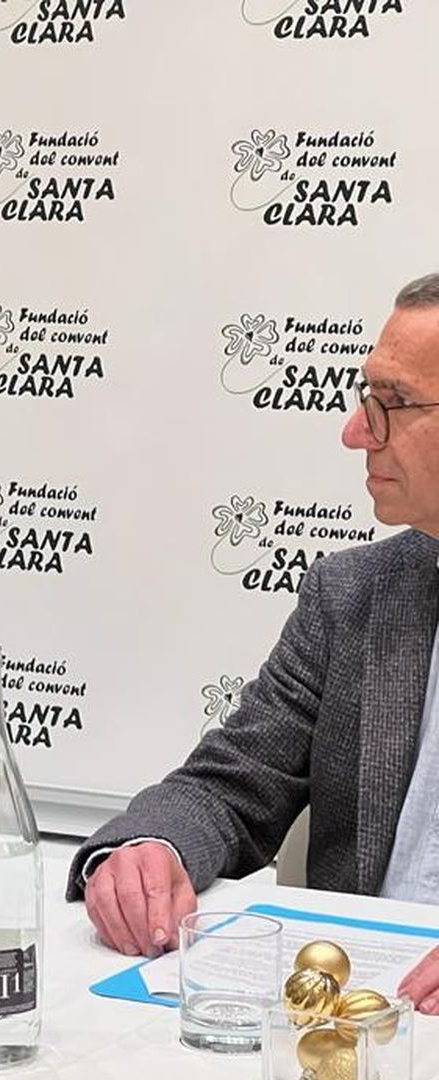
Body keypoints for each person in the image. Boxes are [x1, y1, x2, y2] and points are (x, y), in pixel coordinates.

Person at [72, 272, 439, 1013]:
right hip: (356, 1038)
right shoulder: (356, 595)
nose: (355, 430)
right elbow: (229, 786)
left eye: (391, 404)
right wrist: (151, 849)